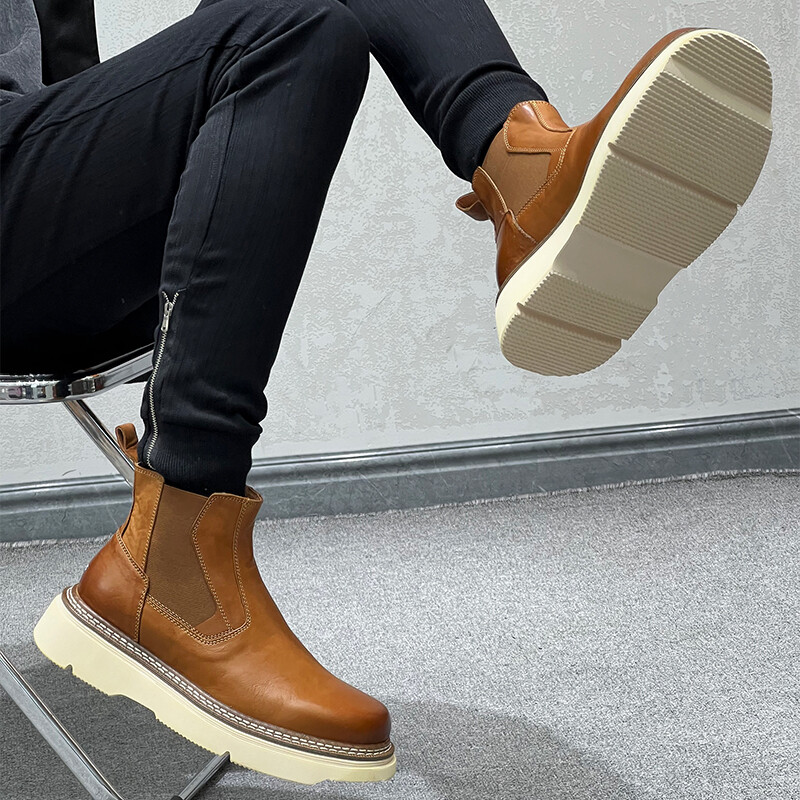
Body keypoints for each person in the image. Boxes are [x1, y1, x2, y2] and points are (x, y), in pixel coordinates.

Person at [0, 0, 772, 784]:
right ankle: (176, 547)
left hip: (52, 218)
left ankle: (527, 171)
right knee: (290, 32)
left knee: (296, 20)